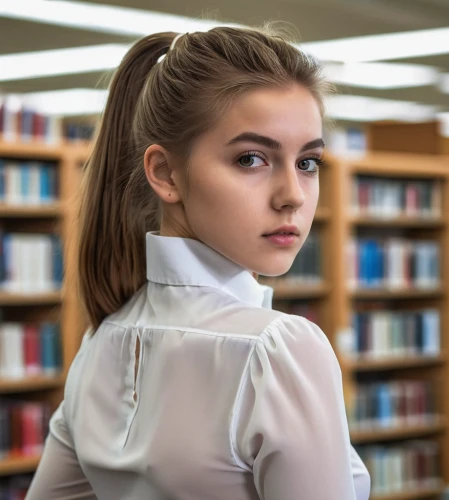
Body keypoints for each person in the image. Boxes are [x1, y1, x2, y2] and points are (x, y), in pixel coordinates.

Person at [26, 26, 370, 500]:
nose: (293, 195)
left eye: (307, 163)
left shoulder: (102, 342)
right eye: (252, 158)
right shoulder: (276, 350)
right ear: (166, 173)